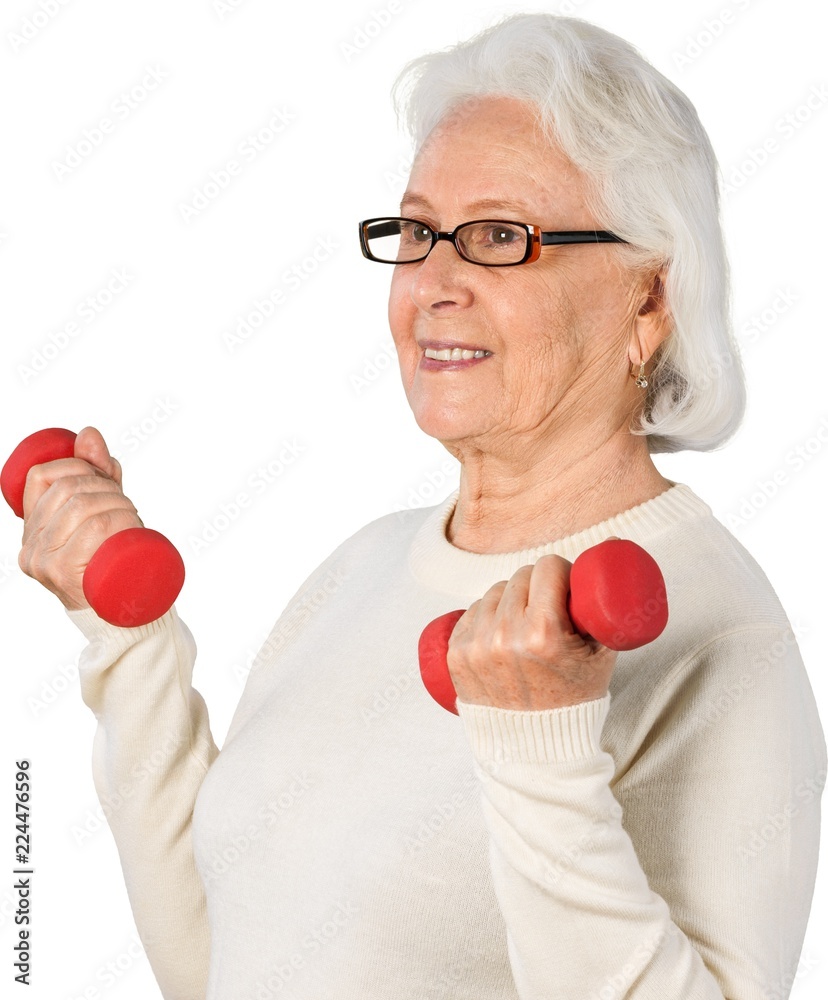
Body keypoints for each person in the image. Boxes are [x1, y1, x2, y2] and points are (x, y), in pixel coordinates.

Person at [15, 12, 825, 1000]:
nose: (433, 283)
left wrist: (541, 749)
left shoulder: (717, 630)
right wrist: (125, 630)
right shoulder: (365, 567)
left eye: (497, 237)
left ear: (649, 300)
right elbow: (219, 964)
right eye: (416, 231)